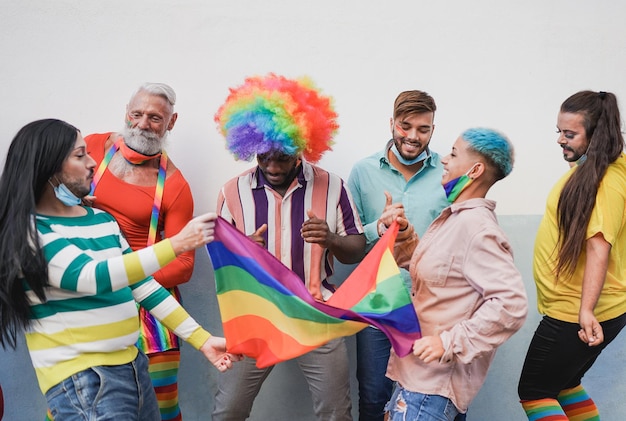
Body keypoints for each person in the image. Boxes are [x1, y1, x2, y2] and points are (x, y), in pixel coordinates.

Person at [0, 119, 241, 421]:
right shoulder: (30, 233)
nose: (92, 163)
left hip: (134, 368)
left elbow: (142, 285)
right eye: (79, 155)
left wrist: (202, 340)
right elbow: (93, 275)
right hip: (84, 381)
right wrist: (176, 244)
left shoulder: (101, 220)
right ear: (50, 168)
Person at [211, 73, 366, 421]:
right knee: (228, 411)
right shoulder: (232, 192)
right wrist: (240, 252)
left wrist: (331, 239)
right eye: (264, 157)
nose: (273, 166)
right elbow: (220, 262)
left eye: (283, 157)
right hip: (256, 316)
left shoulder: (332, 186)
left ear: (302, 145)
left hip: (317, 314)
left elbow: (356, 248)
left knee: (336, 413)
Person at [379, 127, 527, 420]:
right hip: (415, 377)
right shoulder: (454, 219)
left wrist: (449, 343)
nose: (444, 160)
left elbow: (511, 305)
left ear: (474, 170)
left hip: (433, 385)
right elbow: (436, 275)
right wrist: (404, 235)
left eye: (454, 153)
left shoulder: (477, 228)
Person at [84, 82, 193, 421]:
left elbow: (184, 264)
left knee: (159, 408)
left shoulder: (175, 186)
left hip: (148, 308)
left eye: (155, 118)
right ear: (125, 114)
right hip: (86, 293)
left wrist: (123, 273)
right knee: (76, 401)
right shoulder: (89, 147)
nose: (143, 124)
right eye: (137, 114)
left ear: (171, 123)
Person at [518, 90, 626, 420]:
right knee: (565, 385)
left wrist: (586, 310)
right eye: (559, 132)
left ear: (596, 134)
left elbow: (598, 246)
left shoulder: (606, 181)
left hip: (576, 310)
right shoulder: (594, 172)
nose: (560, 140)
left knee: (535, 392)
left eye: (569, 134)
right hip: (583, 306)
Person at [347, 90, 448, 421]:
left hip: (432, 305)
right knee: (374, 397)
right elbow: (352, 243)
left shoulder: (448, 174)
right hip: (379, 303)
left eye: (424, 129)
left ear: (433, 129)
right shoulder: (363, 172)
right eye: (406, 126)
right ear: (392, 123)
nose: (414, 137)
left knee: (434, 397)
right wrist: (379, 225)